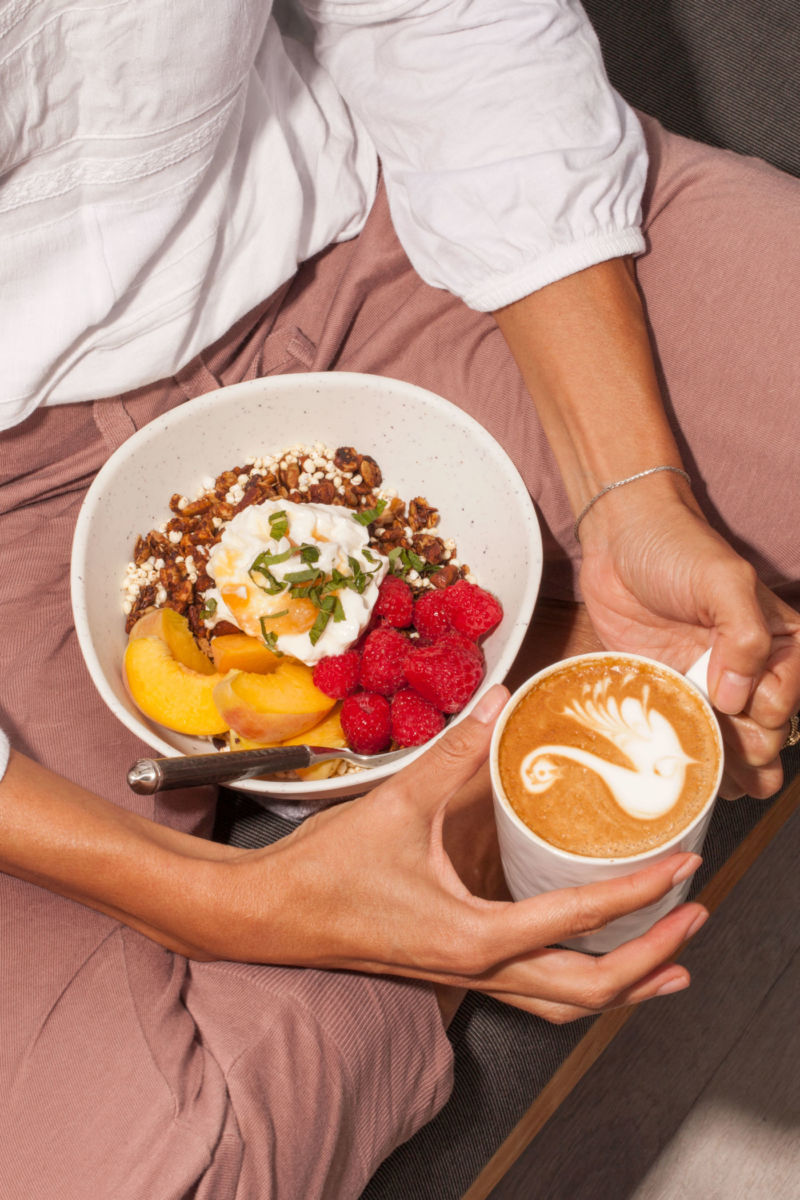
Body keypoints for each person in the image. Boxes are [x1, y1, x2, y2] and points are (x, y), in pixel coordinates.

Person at [1, 1, 798, 1197]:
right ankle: (477, 809)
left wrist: (632, 489)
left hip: (343, 226)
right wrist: (223, 906)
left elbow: (437, 15)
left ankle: (482, 756)